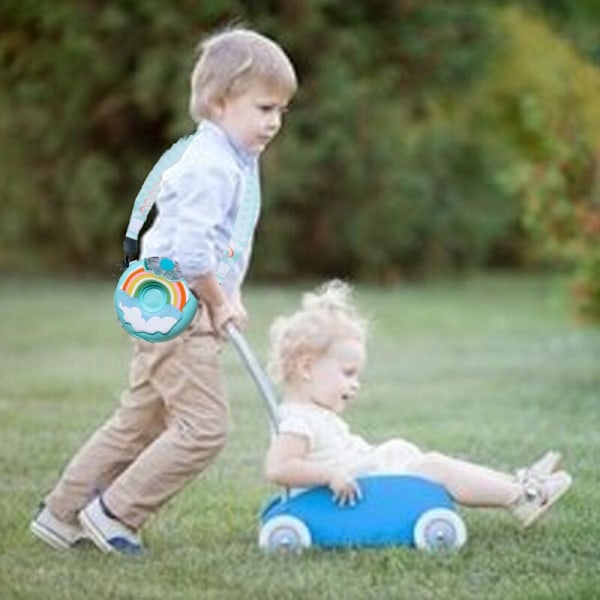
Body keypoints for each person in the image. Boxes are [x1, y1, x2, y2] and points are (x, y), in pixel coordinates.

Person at [30, 27, 297, 554]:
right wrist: (218, 302)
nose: (275, 122)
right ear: (219, 103)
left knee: (139, 421)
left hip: (172, 304)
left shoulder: (231, 157)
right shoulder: (211, 167)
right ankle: (112, 514)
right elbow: (192, 255)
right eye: (264, 108)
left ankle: (61, 515)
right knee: (204, 428)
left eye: (282, 111)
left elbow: (219, 245)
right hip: (180, 308)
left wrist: (230, 294)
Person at [264, 280, 572, 528]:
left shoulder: (312, 413)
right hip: (354, 491)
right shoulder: (297, 421)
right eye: (348, 373)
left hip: (364, 476)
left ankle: (520, 485)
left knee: (433, 461)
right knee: (435, 467)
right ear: (306, 368)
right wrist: (329, 476)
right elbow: (279, 468)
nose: (355, 383)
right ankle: (520, 498)